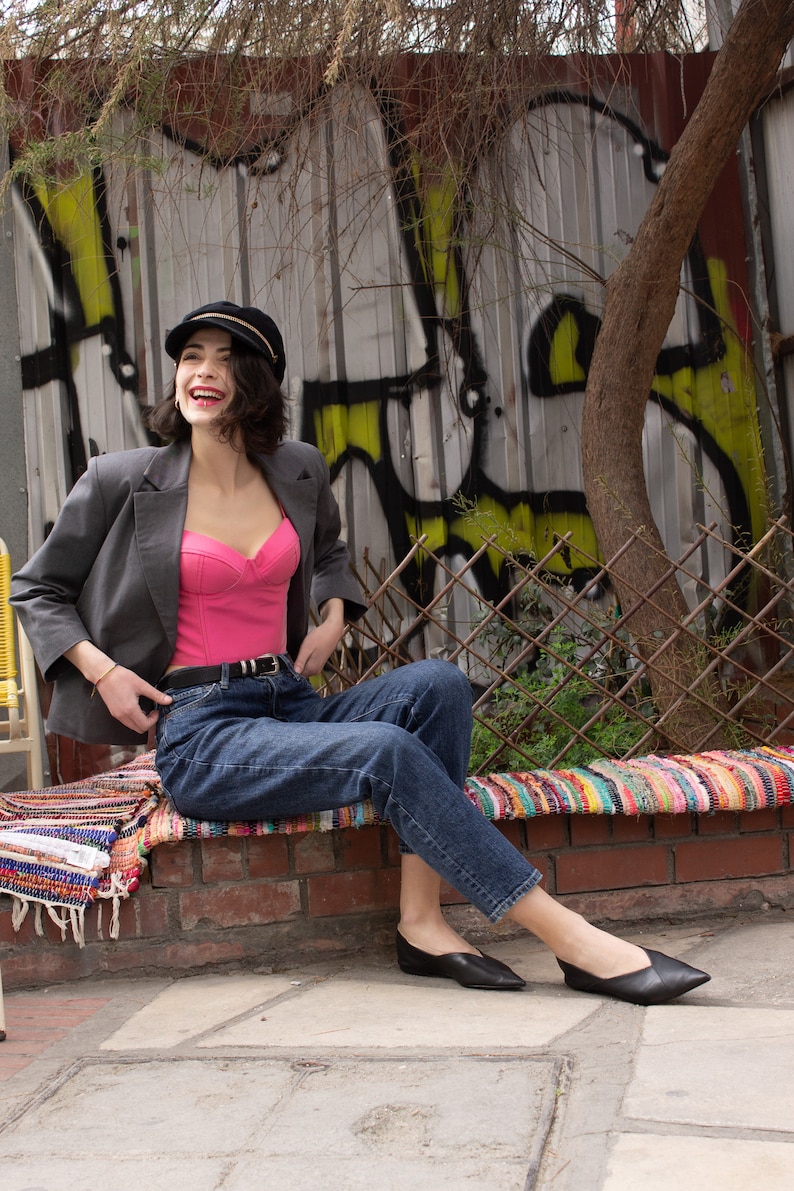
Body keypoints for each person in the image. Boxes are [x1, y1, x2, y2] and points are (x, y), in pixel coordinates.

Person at [11, 300, 710, 1005]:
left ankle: (422, 920)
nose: (204, 371)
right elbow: (36, 588)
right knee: (384, 748)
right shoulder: (122, 479)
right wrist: (102, 671)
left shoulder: (297, 470)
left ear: (256, 379)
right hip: (202, 727)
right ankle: (572, 940)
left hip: (287, 699)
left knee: (439, 685)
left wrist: (335, 612)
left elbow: (330, 550)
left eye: (226, 358)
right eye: (193, 355)